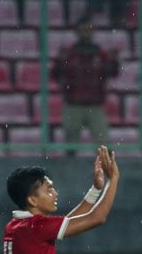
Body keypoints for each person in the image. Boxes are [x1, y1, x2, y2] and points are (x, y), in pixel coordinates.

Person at [51, 18, 120, 156]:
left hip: (95, 105)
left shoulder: (100, 53)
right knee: (70, 146)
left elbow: (112, 72)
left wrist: (114, 61)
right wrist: (59, 60)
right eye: (83, 30)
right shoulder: (69, 53)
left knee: (104, 145)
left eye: (88, 30)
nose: (86, 33)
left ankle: (106, 174)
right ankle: (69, 173)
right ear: (77, 32)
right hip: (73, 104)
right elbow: (55, 75)